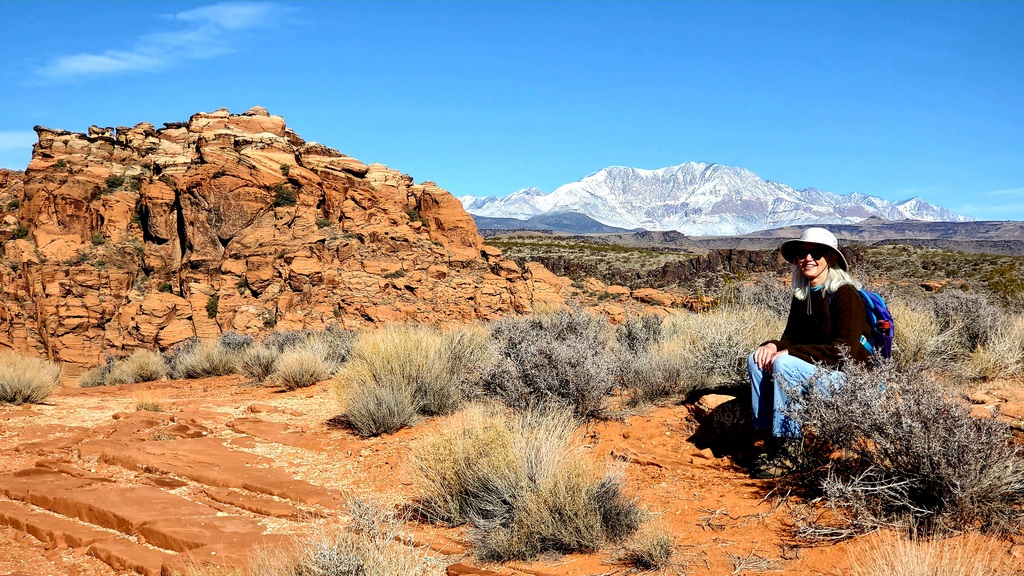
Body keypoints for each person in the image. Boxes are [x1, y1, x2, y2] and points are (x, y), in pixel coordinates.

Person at [747, 227, 872, 479]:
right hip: (818, 372)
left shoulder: (845, 294)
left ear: (831, 259)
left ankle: (789, 452)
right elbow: (790, 338)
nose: (808, 259)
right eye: (802, 254)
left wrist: (789, 353)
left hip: (849, 381)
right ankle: (769, 437)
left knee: (785, 366)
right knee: (756, 358)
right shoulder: (803, 294)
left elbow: (843, 351)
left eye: (816, 253)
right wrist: (772, 345)